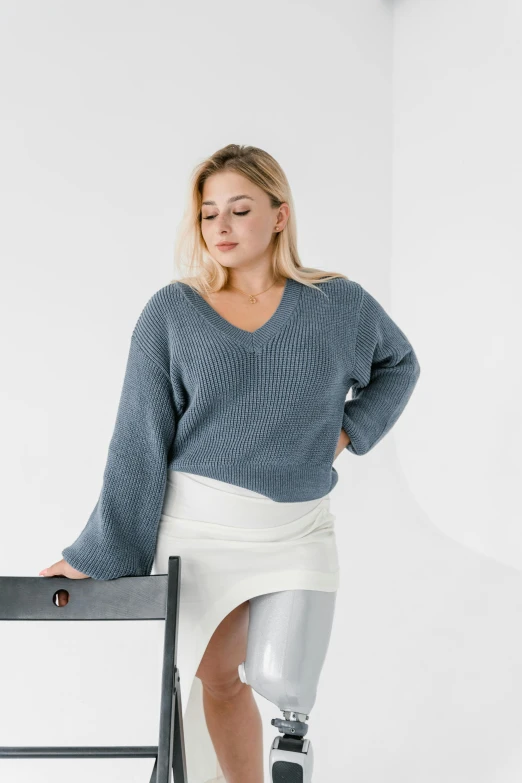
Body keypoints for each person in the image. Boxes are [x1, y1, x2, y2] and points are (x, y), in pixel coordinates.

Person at [39, 143, 421, 783]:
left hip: (299, 526)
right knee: (217, 679)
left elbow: (399, 365)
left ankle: (292, 737)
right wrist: (97, 552)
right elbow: (139, 437)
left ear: (279, 215)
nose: (220, 225)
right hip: (200, 528)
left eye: (239, 209)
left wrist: (349, 432)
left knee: (282, 678)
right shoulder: (172, 313)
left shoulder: (339, 304)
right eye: (208, 212)